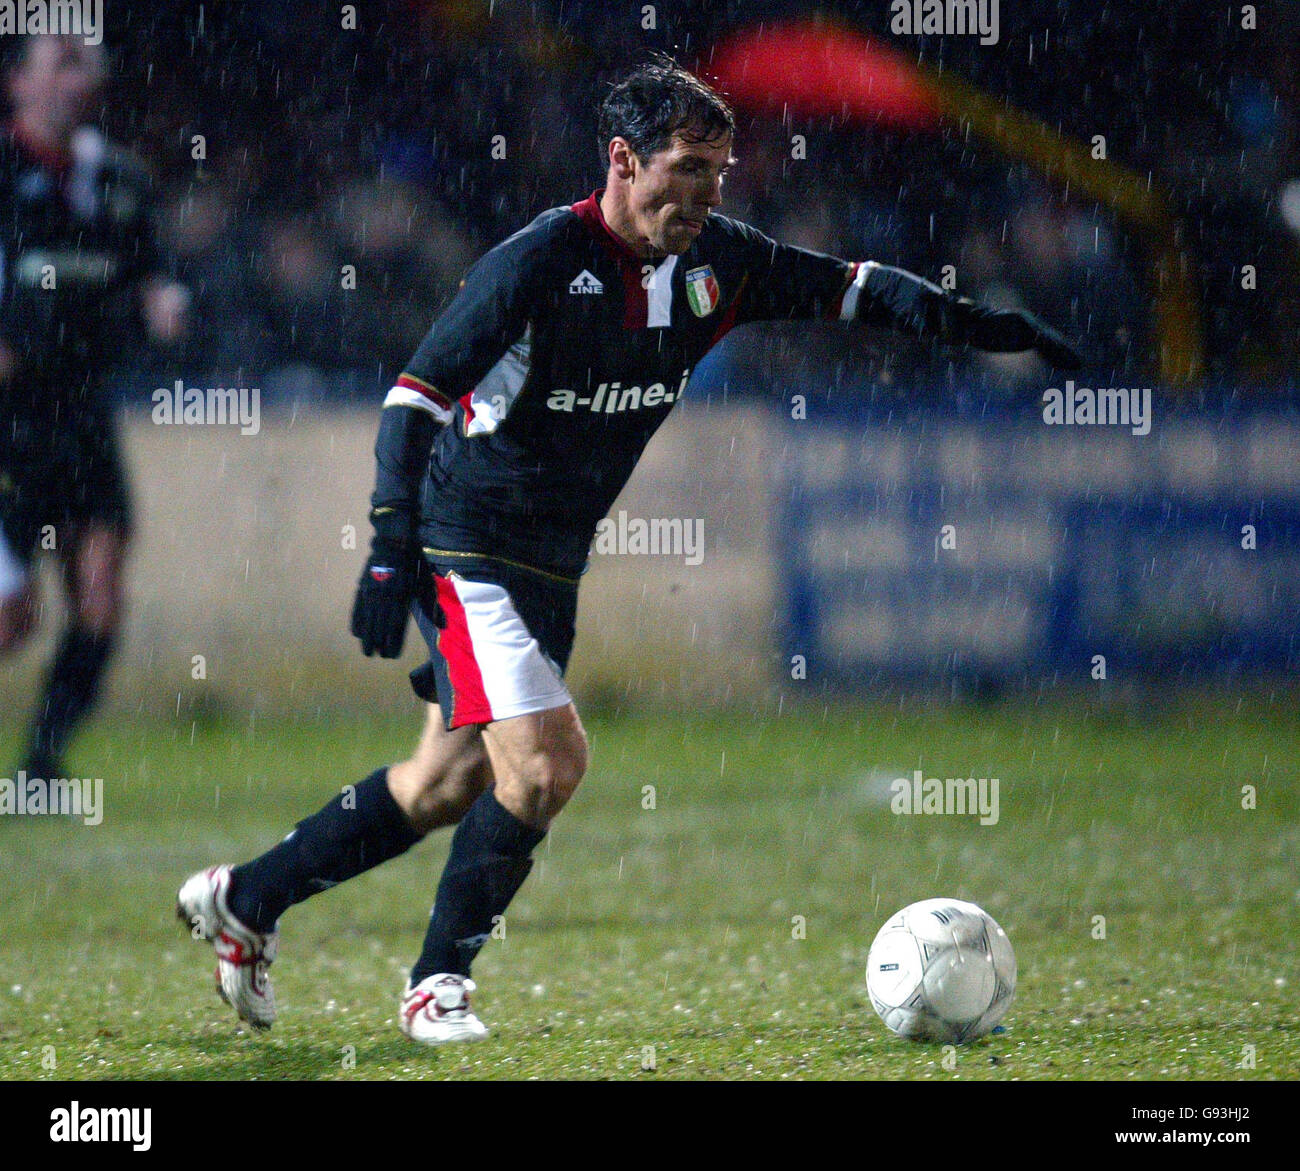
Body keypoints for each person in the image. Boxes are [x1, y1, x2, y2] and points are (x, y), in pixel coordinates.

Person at [177, 58, 1080, 1043]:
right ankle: (437, 982)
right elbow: (415, 397)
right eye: (686, 167)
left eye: (719, 173)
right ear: (622, 159)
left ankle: (245, 899)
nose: (702, 193)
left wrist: (976, 324)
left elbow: (854, 289)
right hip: (465, 541)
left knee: (442, 786)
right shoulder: (539, 260)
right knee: (548, 763)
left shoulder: (716, 266)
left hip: (550, 566)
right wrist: (392, 544)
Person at [0, 35, 188, 792]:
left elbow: (151, 278)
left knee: (102, 589)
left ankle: (41, 762)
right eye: (64, 61)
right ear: (16, 80)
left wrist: (161, 304)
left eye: (90, 63)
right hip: (7, 422)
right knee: (14, 618)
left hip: (81, 414)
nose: (84, 78)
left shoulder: (119, 179)